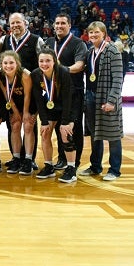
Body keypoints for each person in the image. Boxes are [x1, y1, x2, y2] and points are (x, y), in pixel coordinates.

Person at [80, 21, 125, 181]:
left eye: (96, 32)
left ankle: (114, 170)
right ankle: (95, 167)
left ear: (104, 34)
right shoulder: (90, 52)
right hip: (91, 97)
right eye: (91, 33)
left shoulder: (113, 51)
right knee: (95, 134)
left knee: (113, 135)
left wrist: (112, 101)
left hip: (107, 98)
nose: (93, 35)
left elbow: (118, 79)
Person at [45, 13, 88, 171]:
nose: (59, 26)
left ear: (70, 25)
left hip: (74, 92)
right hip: (54, 93)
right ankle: (62, 158)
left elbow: (79, 65)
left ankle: (74, 163)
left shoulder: (78, 43)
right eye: (57, 23)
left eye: (63, 23)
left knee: (74, 127)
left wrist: (59, 71)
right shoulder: (49, 42)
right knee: (59, 128)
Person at [31, 48, 78, 182]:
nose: (44, 64)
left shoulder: (63, 72)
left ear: (54, 61)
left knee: (65, 134)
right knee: (45, 133)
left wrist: (65, 122)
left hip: (68, 107)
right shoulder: (35, 74)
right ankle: (48, 166)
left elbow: (68, 98)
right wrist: (44, 121)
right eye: (41, 61)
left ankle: (71, 169)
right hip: (50, 107)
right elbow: (38, 100)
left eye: (48, 61)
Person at [0, 51, 35, 175]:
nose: (8, 66)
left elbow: (28, 96)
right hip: (13, 103)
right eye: (5, 63)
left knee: (28, 127)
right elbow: (7, 94)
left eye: (11, 62)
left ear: (17, 63)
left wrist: (26, 113)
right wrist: (15, 112)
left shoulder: (25, 74)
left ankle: (28, 160)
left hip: (29, 103)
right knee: (15, 126)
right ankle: (16, 158)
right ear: (1, 64)